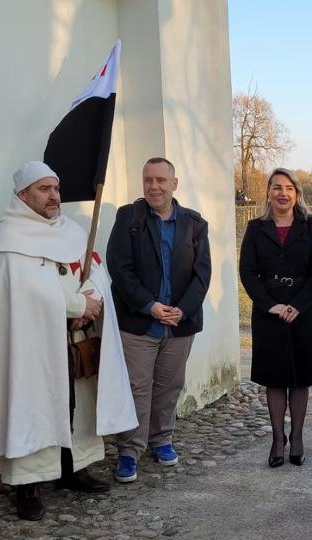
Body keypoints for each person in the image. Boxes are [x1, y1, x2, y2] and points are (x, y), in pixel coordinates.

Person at [0, 161, 137, 521]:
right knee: (33, 406)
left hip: (75, 338)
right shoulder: (8, 239)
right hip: (29, 347)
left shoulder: (71, 231)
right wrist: (76, 304)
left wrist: (91, 299)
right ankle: (28, 484)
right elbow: (25, 293)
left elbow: (95, 271)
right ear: (23, 195)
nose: (54, 196)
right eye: (44, 189)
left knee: (76, 404)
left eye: (55, 188)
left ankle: (74, 468)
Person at [106, 157, 212, 483]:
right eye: (148, 180)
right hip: (139, 323)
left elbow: (202, 273)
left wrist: (184, 309)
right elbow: (119, 267)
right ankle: (129, 450)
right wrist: (148, 305)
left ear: (174, 184)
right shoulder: (129, 217)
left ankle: (162, 439)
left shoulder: (194, 223)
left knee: (169, 386)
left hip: (179, 324)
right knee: (136, 388)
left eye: (161, 180)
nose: (154, 186)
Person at [239, 168, 312, 467]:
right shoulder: (256, 228)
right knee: (274, 377)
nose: (282, 193)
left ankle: (297, 437)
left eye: (289, 188)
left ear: (297, 194)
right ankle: (278, 439)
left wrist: (297, 305)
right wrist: (270, 305)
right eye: (277, 187)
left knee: (300, 376)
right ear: (268, 193)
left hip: (304, 313)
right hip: (269, 315)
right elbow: (247, 272)